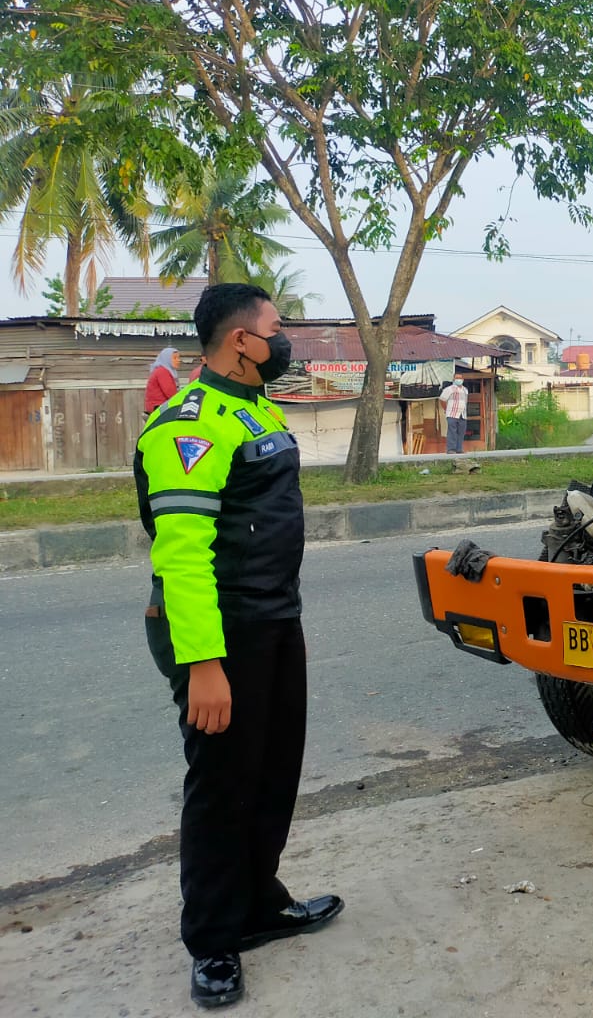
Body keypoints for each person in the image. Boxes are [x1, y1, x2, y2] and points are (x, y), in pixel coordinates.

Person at [134, 283, 341, 1009]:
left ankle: (259, 902)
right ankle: (214, 940)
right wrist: (204, 666)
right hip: (216, 633)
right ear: (241, 343)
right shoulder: (185, 427)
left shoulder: (257, 409)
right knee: (223, 782)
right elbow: (184, 557)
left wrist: (286, 626)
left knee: (272, 770)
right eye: (276, 328)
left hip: (273, 620)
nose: (285, 340)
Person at [145, 347, 184, 416]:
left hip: (162, 406)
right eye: (175, 358)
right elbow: (171, 394)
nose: (178, 360)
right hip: (158, 408)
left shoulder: (169, 371)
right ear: (167, 359)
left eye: (179, 358)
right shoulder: (162, 372)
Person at [439, 373, 470, 454]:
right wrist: (446, 409)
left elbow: (465, 402)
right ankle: (451, 449)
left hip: (462, 414)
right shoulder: (449, 389)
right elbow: (442, 400)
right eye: (457, 378)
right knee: (452, 432)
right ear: (453, 379)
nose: (459, 380)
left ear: (463, 380)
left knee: (461, 432)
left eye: (460, 378)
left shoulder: (465, 390)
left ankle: (459, 449)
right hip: (452, 414)